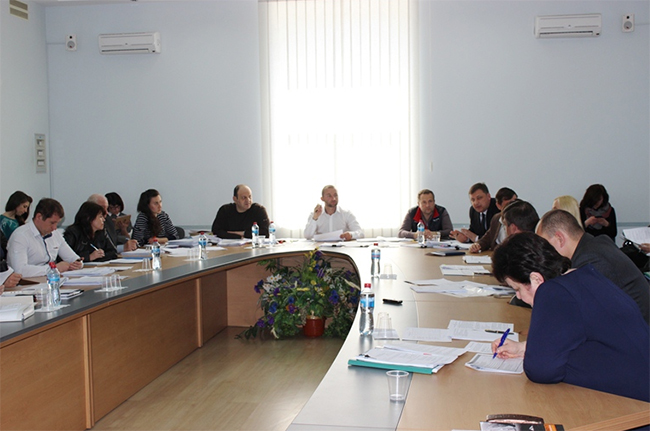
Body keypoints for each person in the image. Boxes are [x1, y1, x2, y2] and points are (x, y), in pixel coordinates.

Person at [490, 232, 649, 402]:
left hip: (636, 406)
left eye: (517, 289)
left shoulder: (553, 292)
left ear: (536, 279)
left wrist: (537, 352)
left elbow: (540, 370)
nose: (518, 297)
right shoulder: (582, 276)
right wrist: (524, 348)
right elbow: (572, 340)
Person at [536, 209, 649, 324]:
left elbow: (574, 313)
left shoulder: (590, 260)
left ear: (560, 238)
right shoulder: (597, 244)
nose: (547, 253)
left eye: (547, 246)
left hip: (639, 330)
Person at [7, 198, 82, 277]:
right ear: (39, 217)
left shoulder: (55, 234)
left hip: (49, 279)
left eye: (57, 223)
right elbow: (20, 270)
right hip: (27, 282)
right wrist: (53, 268)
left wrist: (78, 263)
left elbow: (73, 258)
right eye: (52, 223)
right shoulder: (20, 236)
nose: (55, 228)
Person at [469, 187, 517, 253]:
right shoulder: (496, 218)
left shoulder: (521, 219)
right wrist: (477, 245)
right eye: (507, 205)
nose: (512, 207)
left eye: (515, 203)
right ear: (498, 206)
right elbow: (487, 239)